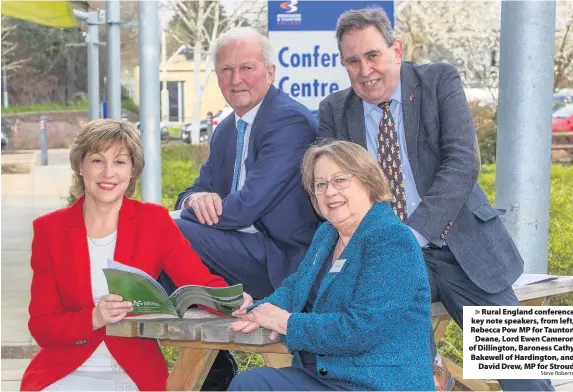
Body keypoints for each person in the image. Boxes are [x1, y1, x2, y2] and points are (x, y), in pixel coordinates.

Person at [317, 7, 553, 391]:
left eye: (373, 55)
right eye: (352, 61)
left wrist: (411, 235)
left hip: (463, 248)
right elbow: (327, 190)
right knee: (409, 368)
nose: (365, 71)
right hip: (388, 261)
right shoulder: (334, 111)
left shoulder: (438, 79)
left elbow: (463, 162)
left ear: (396, 49)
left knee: (527, 371)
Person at [20, 119, 231, 391]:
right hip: (63, 368)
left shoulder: (154, 222)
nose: (108, 173)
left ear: (133, 171)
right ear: (79, 166)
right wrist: (94, 317)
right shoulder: (50, 230)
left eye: (120, 162)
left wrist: (233, 301)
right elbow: (41, 325)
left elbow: (201, 283)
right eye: (97, 160)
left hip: (132, 369)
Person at [228, 140, 434, 391]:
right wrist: (257, 310)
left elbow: (361, 329)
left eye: (340, 180)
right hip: (323, 377)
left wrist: (286, 322)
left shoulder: (391, 239)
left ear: (368, 181)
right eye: (320, 185)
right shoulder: (327, 233)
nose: (330, 192)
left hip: (375, 384)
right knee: (250, 384)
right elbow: (296, 288)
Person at [166, 27, 319, 300]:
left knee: (167, 232)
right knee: (160, 252)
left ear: (270, 72)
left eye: (247, 67)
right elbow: (195, 190)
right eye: (226, 70)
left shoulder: (289, 121)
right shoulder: (226, 129)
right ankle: (186, 322)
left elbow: (245, 208)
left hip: (279, 263)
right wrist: (194, 201)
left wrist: (167, 220)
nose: (236, 80)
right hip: (236, 248)